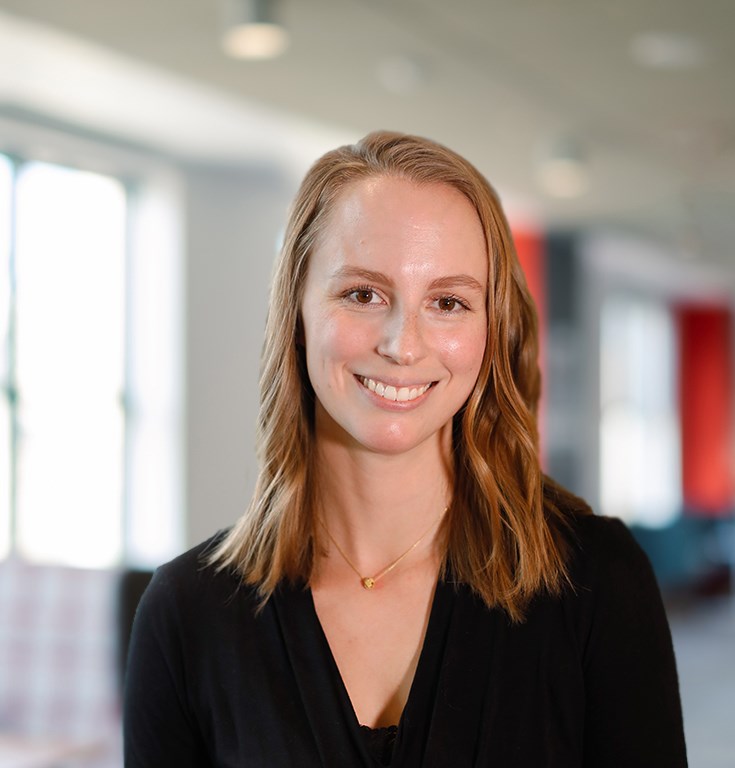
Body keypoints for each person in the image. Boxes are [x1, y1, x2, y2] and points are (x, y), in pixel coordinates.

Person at [123, 131, 687, 767]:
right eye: (363, 293)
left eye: (448, 302)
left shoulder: (594, 581)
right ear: (297, 313)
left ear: (489, 333)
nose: (402, 344)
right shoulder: (186, 615)